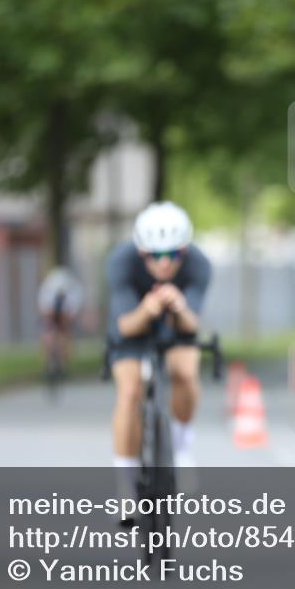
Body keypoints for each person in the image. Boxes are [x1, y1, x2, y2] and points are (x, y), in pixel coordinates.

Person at [106, 202, 212, 504]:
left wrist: (178, 307)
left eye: (173, 255)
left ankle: (180, 448)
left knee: (186, 372)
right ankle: (125, 485)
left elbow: (193, 323)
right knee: (129, 391)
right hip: (133, 327)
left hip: (177, 326)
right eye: (154, 256)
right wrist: (147, 309)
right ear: (141, 252)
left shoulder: (199, 264)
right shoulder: (121, 261)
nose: (164, 263)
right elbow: (125, 326)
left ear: (185, 250)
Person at [37, 266, 84, 376]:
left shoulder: (73, 294)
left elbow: (70, 316)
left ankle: (63, 363)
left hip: (66, 310)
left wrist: (64, 323)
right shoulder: (47, 293)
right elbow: (45, 313)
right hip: (51, 310)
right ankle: (48, 364)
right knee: (48, 336)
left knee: (65, 336)